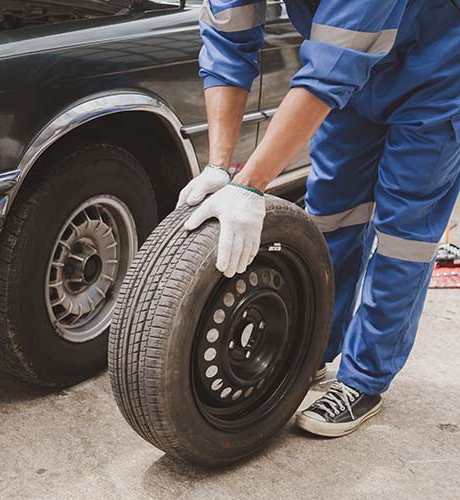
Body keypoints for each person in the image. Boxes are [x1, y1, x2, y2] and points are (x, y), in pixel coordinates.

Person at [179, 0, 460, 437]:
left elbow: (331, 71)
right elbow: (227, 41)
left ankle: (363, 380)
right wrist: (220, 166)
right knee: (330, 215)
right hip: (356, 79)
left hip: (438, 73)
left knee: (403, 235)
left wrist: (250, 185)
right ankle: (312, 349)